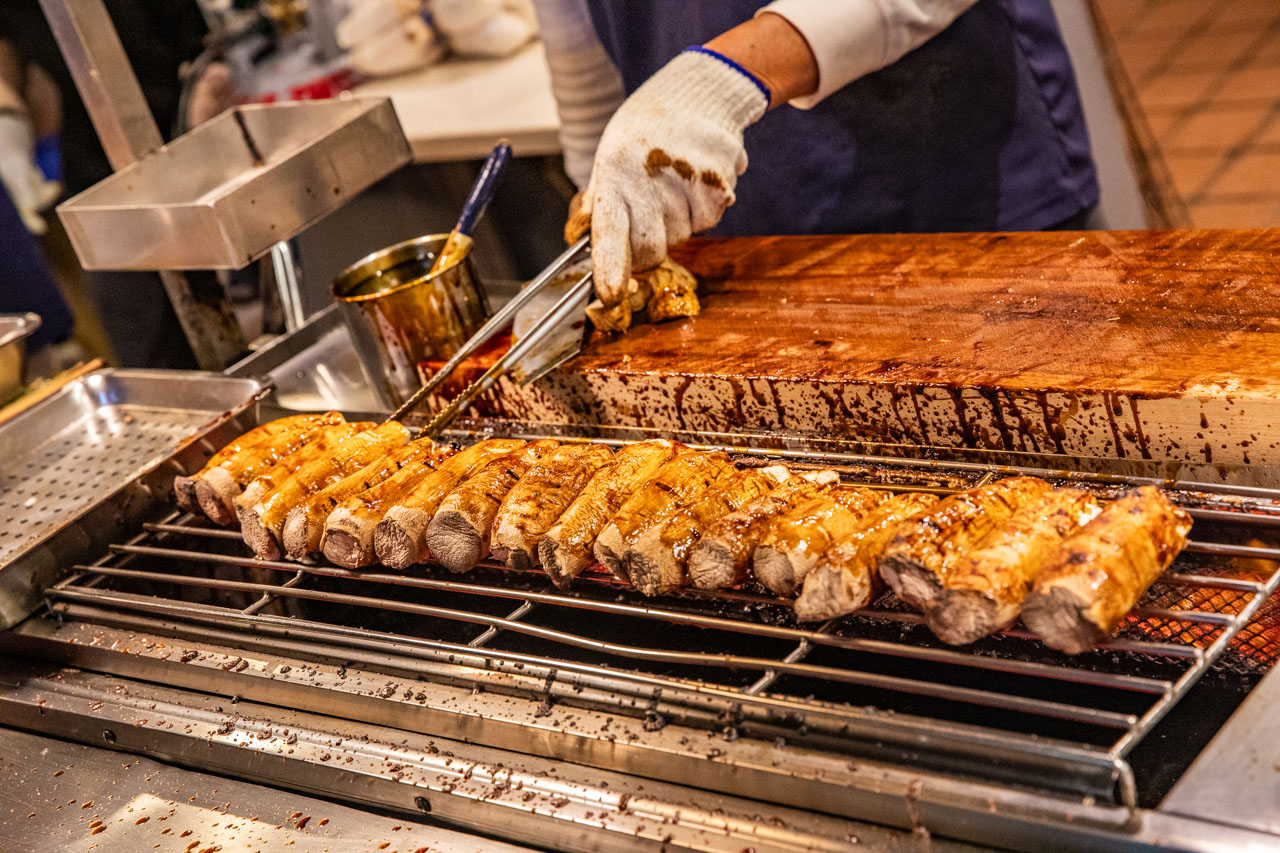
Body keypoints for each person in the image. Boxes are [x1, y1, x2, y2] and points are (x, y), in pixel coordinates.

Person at [532, 1, 1099, 311]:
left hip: (957, 179)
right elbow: (575, 27)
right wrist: (597, 180)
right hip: (742, 254)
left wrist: (720, 82)